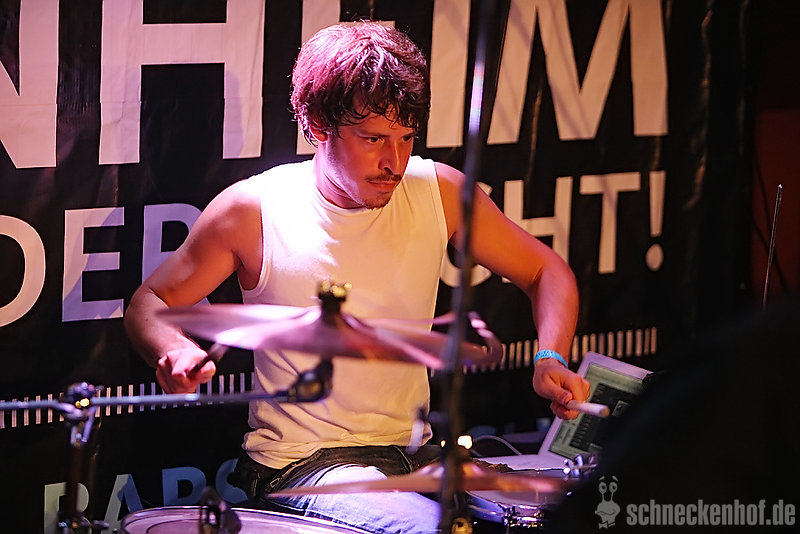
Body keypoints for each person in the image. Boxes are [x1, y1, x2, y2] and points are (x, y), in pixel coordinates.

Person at [124, 21, 589, 534]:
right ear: (317, 125)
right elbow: (152, 299)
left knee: (571, 513)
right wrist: (173, 350)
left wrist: (550, 356)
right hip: (305, 465)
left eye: (406, 138)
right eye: (373, 139)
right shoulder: (254, 210)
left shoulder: (438, 192)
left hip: (416, 453)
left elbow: (547, 270)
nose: (394, 162)